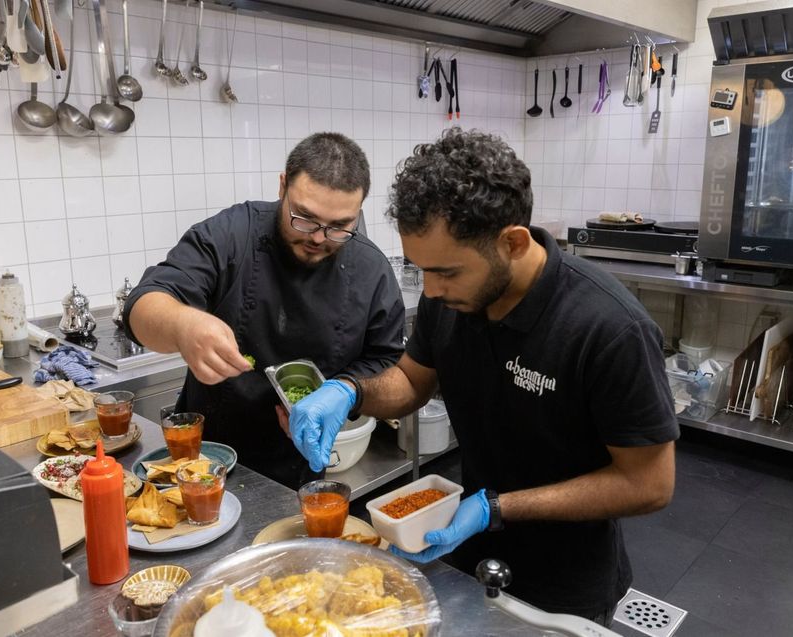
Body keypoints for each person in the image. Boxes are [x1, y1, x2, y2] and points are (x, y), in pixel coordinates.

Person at [289, 128, 679, 625]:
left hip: (564, 584)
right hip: (462, 554)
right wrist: (349, 391)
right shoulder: (446, 299)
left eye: (447, 272)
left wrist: (498, 508)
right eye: (420, 269)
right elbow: (412, 381)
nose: (429, 290)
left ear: (512, 243)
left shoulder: (610, 328)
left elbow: (648, 483)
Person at [123, 132, 406, 489]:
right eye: (304, 217)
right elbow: (144, 305)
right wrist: (182, 324)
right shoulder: (233, 234)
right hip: (203, 464)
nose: (319, 238)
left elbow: (395, 371)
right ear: (283, 186)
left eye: (339, 227)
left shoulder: (371, 269)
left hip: (297, 469)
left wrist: (347, 390)